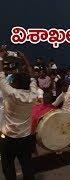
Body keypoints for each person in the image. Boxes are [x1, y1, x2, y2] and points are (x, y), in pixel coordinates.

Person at [0, 49, 37, 180]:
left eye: (12, 81)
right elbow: (32, 77)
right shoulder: (33, 95)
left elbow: (1, 75)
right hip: (26, 139)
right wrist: (25, 60)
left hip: (8, 139)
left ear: (15, 84)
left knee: (8, 167)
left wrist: (1, 58)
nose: (10, 82)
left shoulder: (10, 93)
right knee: (27, 166)